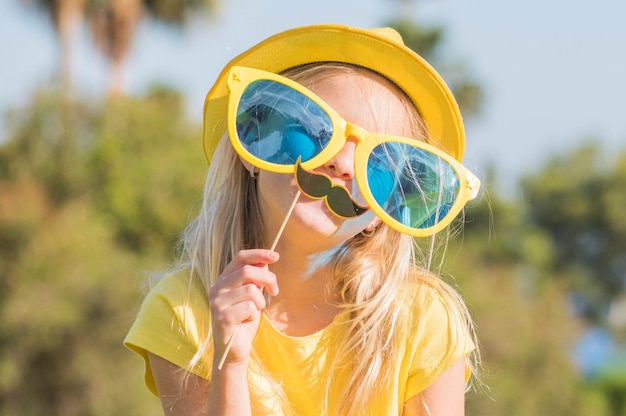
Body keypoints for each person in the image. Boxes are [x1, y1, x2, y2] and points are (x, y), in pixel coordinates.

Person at [124, 24, 481, 416]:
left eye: (378, 161)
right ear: (252, 141)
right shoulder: (183, 311)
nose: (342, 163)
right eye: (315, 129)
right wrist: (231, 363)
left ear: (385, 212)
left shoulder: (421, 318)